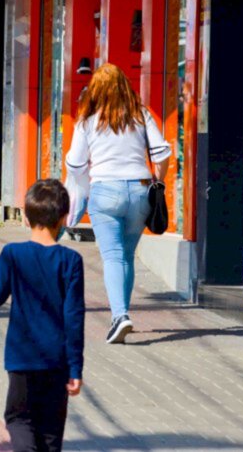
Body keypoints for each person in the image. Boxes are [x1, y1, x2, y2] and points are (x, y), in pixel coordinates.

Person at [0, 179, 85, 452]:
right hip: (56, 363)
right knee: (50, 432)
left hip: (22, 360)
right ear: (64, 217)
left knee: (19, 419)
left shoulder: (13, 254)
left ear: (25, 217)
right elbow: (74, 318)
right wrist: (75, 368)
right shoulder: (71, 261)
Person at [64, 63, 170, 343]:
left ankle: (120, 316)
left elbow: (74, 163)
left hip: (105, 193)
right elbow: (162, 154)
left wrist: (82, 185)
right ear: (125, 86)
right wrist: (158, 184)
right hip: (140, 192)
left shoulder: (87, 121)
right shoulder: (141, 115)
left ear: (95, 89)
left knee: (112, 256)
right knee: (127, 255)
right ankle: (122, 314)